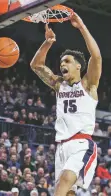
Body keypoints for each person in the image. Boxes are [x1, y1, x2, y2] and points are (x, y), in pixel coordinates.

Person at [30, 12, 102, 196]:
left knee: (63, 185)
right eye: (62, 61)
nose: (63, 64)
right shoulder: (59, 85)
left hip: (81, 143)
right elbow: (36, 66)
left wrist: (82, 27)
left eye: (68, 61)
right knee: (67, 192)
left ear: (79, 66)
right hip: (61, 146)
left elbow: (96, 57)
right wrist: (48, 43)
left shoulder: (88, 84)